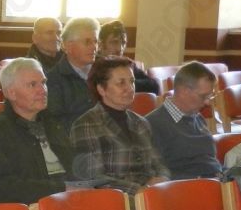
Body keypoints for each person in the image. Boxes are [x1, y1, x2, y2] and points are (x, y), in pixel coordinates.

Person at [0, 58, 73, 205]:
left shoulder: (52, 124)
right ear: (11, 93)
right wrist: (59, 189)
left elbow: (72, 165)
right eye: (32, 85)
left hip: (65, 201)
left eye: (43, 82)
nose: (43, 90)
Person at [70, 56, 169, 193]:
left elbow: (159, 164)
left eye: (132, 81)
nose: (130, 88)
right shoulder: (87, 124)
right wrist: (138, 190)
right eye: (121, 83)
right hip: (115, 199)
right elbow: (94, 178)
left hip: (149, 194)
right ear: (102, 89)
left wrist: (162, 179)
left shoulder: (141, 123)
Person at [146, 61, 221, 180]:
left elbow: (209, 159)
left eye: (209, 96)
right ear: (184, 91)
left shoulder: (197, 117)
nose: (207, 102)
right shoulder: (153, 124)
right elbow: (158, 173)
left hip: (214, 180)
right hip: (189, 185)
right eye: (203, 96)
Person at [45, 17, 100, 133]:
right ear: (68, 46)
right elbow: (57, 125)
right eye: (87, 42)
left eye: (95, 41)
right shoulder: (53, 80)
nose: (94, 47)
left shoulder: (105, 72)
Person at [98, 20, 160, 94]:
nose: (120, 48)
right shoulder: (94, 67)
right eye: (114, 42)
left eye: (123, 43)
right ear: (101, 45)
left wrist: (126, 82)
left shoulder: (128, 64)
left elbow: (154, 85)